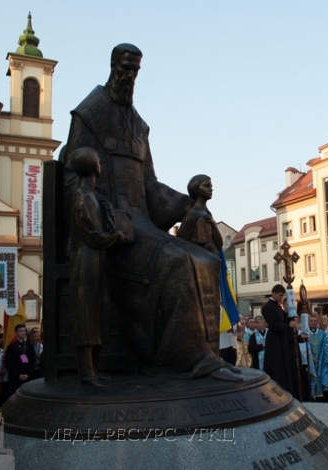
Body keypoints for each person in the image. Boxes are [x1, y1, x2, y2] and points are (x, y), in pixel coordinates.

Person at [61, 43, 237, 382]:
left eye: (134, 70)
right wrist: (103, 214)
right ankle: (181, 361)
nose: (129, 76)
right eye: (124, 68)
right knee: (177, 261)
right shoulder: (89, 114)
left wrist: (187, 204)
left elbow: (151, 186)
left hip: (140, 223)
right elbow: (72, 175)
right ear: (113, 66)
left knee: (208, 259)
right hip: (112, 227)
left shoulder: (139, 126)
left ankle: (207, 356)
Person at [68, 147, 128, 387]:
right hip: (86, 260)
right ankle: (87, 372)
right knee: (87, 315)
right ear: (95, 167)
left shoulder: (93, 195)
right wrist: (118, 236)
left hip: (98, 259)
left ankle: (95, 367)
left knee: (101, 313)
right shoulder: (82, 197)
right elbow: (94, 235)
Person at [262, 284, 297, 394]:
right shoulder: (267, 307)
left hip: (281, 339)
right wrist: (288, 325)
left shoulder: (278, 306)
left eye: (282, 296)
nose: (281, 298)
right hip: (274, 340)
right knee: (276, 366)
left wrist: (291, 317)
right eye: (280, 295)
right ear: (274, 293)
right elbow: (273, 324)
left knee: (283, 365)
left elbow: (284, 318)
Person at [176, 174, 222, 256]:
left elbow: (220, 244)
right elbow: (180, 242)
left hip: (210, 261)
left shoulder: (208, 213)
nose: (211, 189)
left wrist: (213, 224)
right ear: (197, 189)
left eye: (211, 186)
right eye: (206, 186)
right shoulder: (193, 214)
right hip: (198, 261)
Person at [4, 323, 36, 398]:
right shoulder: (11, 347)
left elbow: (33, 360)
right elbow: (8, 363)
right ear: (16, 333)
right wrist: (18, 375)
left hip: (28, 376)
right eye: (21, 331)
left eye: (24, 331)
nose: (23, 333)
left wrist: (28, 374)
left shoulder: (29, 345)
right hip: (16, 377)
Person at [307, 315, 325, 400]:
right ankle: (311, 397)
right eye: (311, 321)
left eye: (315, 321)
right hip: (309, 363)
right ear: (308, 322)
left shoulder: (322, 333)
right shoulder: (305, 333)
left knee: (320, 380)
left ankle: (321, 398)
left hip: (321, 362)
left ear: (317, 322)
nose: (313, 322)